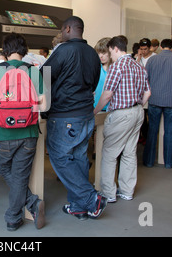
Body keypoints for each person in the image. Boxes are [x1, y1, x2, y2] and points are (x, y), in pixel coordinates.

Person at [41, 16, 107, 220]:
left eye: (62, 30)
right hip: (86, 113)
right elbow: (95, 82)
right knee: (78, 157)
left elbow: (43, 75)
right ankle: (78, 206)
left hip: (64, 115)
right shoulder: (93, 54)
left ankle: (90, 199)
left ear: (68, 29)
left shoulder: (63, 50)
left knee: (59, 156)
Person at [0, 33, 46, 231]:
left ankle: (17, 214)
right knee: (20, 175)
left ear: (5, 49)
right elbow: (43, 105)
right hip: (29, 132)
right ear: (24, 49)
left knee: (4, 169)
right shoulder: (34, 71)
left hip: (4, 132)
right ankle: (22, 210)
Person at [94, 35, 151, 202]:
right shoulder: (138, 66)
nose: (109, 56)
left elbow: (107, 94)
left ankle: (108, 193)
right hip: (138, 112)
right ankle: (127, 191)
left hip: (121, 114)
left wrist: (95, 111)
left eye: (110, 52)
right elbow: (148, 92)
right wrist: (138, 104)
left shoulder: (117, 67)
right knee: (129, 153)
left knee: (110, 154)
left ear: (115, 49)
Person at [143, 39, 172, 168]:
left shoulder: (152, 60)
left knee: (152, 130)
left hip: (154, 99)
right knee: (169, 131)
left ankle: (149, 161)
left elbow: (146, 79)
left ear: (161, 47)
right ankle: (169, 162)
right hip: (171, 100)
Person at [93, 37, 112, 111]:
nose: (100, 56)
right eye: (98, 53)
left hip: (110, 109)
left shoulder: (115, 70)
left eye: (103, 53)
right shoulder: (96, 67)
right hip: (96, 107)